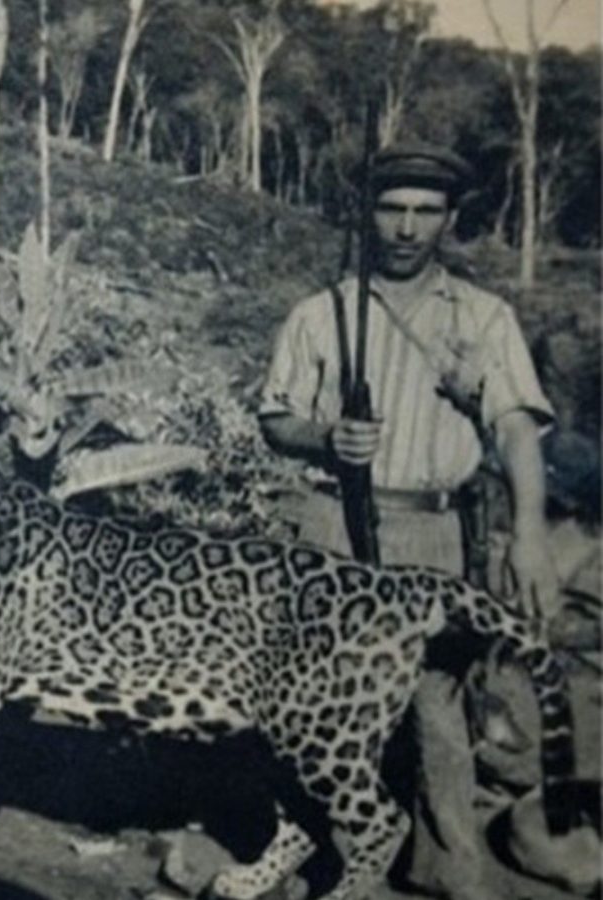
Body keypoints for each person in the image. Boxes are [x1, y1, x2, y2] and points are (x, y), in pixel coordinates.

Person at [258, 142, 557, 900]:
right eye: (392, 208)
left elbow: (518, 427)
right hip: (330, 527)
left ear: (450, 220)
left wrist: (527, 536)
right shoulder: (319, 314)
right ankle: (304, 855)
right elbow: (276, 418)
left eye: (426, 212)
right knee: (311, 695)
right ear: (369, 214)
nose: (406, 227)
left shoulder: (484, 318)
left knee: (435, 702)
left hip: (433, 528)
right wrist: (325, 438)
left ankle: (451, 867)